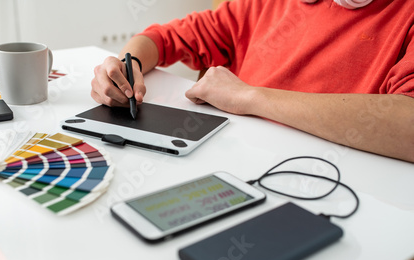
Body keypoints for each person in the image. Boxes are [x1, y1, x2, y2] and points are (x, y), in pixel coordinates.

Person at [91, 0, 414, 163]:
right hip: (237, 164)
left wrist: (249, 97)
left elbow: (408, 124)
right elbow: (165, 38)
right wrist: (126, 63)